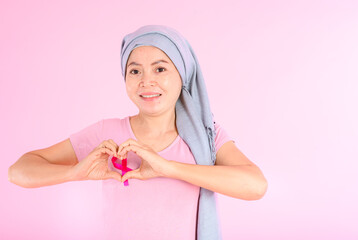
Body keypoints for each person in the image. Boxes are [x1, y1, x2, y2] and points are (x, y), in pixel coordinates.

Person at [8, 25, 268, 240]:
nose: (146, 81)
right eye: (135, 71)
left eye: (160, 68)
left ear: (183, 74)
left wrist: (168, 167)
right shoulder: (106, 133)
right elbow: (18, 171)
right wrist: (74, 172)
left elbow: (255, 185)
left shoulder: (208, 136)